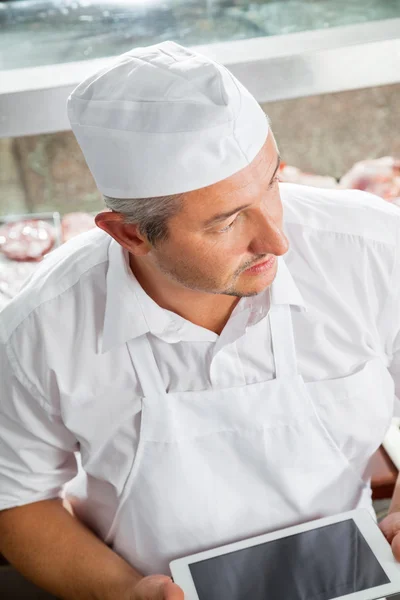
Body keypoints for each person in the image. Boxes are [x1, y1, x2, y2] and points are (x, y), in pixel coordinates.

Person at [0, 40, 399, 600]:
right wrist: (123, 592)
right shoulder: (39, 329)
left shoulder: (374, 248)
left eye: (273, 186)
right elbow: (16, 498)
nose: (278, 240)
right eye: (227, 222)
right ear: (130, 233)